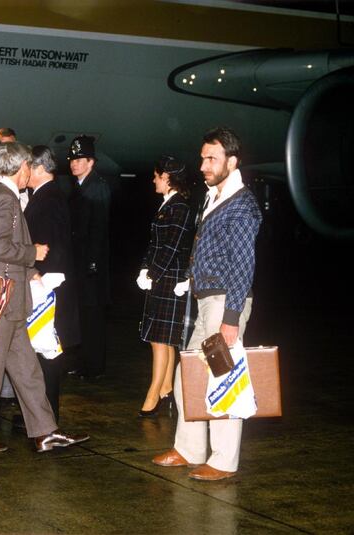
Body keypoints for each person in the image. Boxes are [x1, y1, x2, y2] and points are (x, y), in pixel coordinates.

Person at [0, 142, 89, 454]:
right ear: (19, 167)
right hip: (3, 301)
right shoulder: (4, 198)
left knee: (27, 370)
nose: (31, 171)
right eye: (29, 165)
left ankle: (45, 432)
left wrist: (30, 273)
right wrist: (33, 254)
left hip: (12, 301)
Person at [152, 126, 262, 481]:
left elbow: (243, 264)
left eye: (212, 158)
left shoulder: (242, 203)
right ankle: (190, 448)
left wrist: (232, 318)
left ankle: (224, 459)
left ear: (232, 161)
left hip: (224, 304)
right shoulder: (215, 196)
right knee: (191, 375)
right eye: (202, 158)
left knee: (223, 378)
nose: (203, 165)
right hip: (206, 300)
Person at [22, 145, 80, 423]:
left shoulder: (50, 198)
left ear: (40, 169)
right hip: (44, 284)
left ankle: (46, 419)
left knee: (47, 355)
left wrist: (39, 275)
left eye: (28, 167)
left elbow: (52, 245)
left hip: (47, 288)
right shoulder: (44, 196)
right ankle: (40, 416)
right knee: (40, 354)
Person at [135, 156, 194, 418]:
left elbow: (171, 246)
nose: (154, 180)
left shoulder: (180, 207)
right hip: (162, 277)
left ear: (167, 177)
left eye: (157, 175)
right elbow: (155, 244)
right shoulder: (167, 205)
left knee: (159, 340)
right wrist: (144, 268)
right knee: (163, 339)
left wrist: (154, 274)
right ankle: (166, 388)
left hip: (170, 280)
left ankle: (153, 394)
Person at [67, 135, 110, 379]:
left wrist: (92, 261)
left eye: (80, 159)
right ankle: (84, 361)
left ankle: (95, 366)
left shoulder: (98, 186)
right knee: (82, 315)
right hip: (79, 262)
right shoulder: (79, 187)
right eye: (72, 159)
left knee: (93, 316)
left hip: (91, 264)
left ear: (91, 162)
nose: (74, 164)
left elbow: (99, 227)